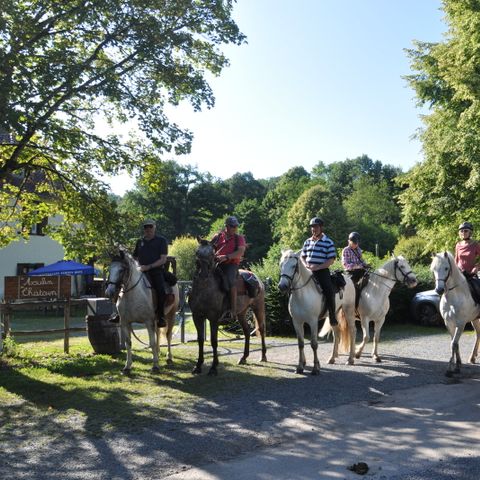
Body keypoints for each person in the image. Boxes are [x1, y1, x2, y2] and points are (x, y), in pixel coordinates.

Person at [301, 217, 337, 325]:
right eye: (312, 227)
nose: (313, 229)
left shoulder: (328, 242)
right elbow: (302, 257)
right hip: (308, 271)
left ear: (321, 227)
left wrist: (318, 267)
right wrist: (306, 265)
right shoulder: (307, 242)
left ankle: (332, 315)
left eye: (315, 227)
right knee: (293, 285)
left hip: (321, 271)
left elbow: (331, 260)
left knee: (329, 290)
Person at [133, 219, 168, 327]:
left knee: (160, 290)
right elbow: (134, 257)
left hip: (155, 270)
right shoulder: (140, 242)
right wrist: (137, 266)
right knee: (122, 284)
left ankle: (161, 316)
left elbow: (163, 259)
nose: (148, 229)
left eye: (150, 227)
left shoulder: (161, 241)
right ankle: (120, 312)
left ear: (154, 227)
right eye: (146, 227)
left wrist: (148, 267)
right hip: (140, 271)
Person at [211, 215, 246, 321]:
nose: (235, 228)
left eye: (236, 226)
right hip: (217, 264)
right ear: (226, 226)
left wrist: (226, 257)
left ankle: (233, 310)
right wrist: (214, 256)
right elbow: (209, 248)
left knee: (230, 282)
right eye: (232, 226)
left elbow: (240, 252)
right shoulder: (217, 237)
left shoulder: (239, 238)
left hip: (231, 265)